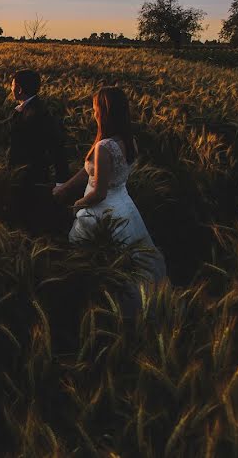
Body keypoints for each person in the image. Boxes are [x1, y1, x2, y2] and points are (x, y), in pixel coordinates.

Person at [53, 86, 167, 312]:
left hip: (102, 211)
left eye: (95, 108)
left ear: (105, 112)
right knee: (130, 262)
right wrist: (66, 187)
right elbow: (93, 172)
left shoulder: (104, 147)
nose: (92, 113)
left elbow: (99, 193)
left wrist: (77, 205)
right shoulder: (128, 141)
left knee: (94, 262)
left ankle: (95, 305)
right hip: (124, 207)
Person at [7, 69, 71, 234]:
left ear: (19, 89)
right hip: (22, 174)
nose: (10, 88)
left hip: (33, 176)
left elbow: (57, 147)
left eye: (12, 85)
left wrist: (61, 182)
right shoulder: (29, 109)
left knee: (30, 217)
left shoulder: (39, 114)